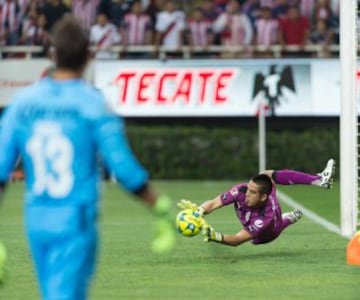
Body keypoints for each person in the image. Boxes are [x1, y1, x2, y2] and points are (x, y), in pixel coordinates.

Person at [0, 16, 175, 300]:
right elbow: (123, 168)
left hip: (36, 219)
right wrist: (159, 206)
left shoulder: (22, 102)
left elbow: (0, 169)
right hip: (75, 220)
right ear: (88, 57)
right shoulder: (93, 103)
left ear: (53, 54)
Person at [178, 159, 335, 246]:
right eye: (248, 189)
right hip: (266, 206)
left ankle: (289, 218)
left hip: (267, 233)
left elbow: (238, 239)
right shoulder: (241, 191)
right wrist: (199, 211)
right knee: (266, 175)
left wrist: (215, 236)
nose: (247, 194)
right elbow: (213, 203)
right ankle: (318, 180)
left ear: (263, 197)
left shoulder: (264, 219)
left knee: (279, 224)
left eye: (252, 192)